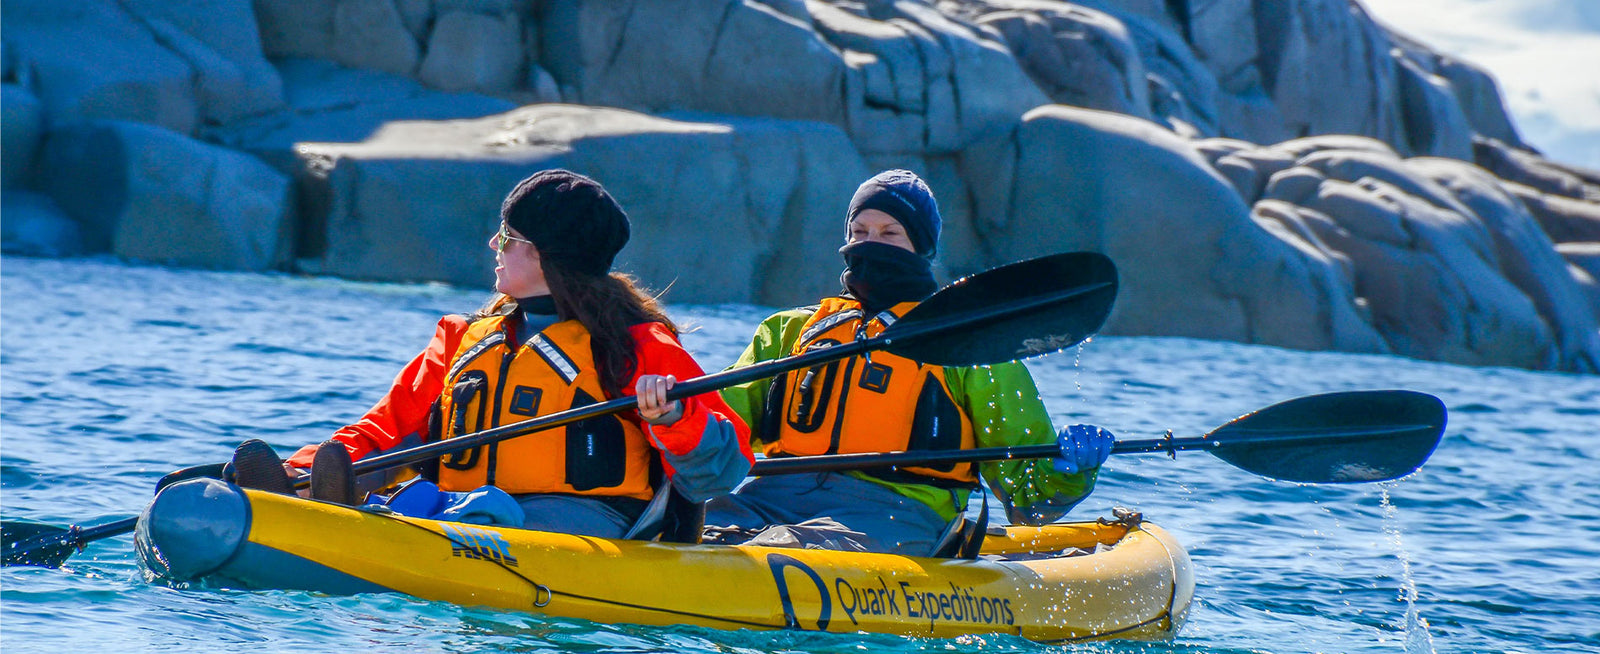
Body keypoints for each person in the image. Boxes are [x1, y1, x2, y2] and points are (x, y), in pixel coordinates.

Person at [229, 169, 753, 538]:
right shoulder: (463, 338)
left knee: (478, 512)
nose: (492, 245)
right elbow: (385, 430)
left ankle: (397, 520)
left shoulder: (635, 345)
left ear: (545, 254)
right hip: (461, 512)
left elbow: (725, 471)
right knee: (422, 500)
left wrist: (674, 418)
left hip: (584, 525)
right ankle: (302, 496)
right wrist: (300, 470)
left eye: (507, 236)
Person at [704, 169, 1114, 555]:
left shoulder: (969, 347)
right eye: (859, 232)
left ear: (921, 247)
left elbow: (1029, 500)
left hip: (898, 512)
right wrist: (676, 415)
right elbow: (718, 427)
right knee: (686, 522)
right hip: (770, 497)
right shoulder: (788, 331)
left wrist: (1069, 470)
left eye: (890, 233)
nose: (871, 244)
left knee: (782, 545)